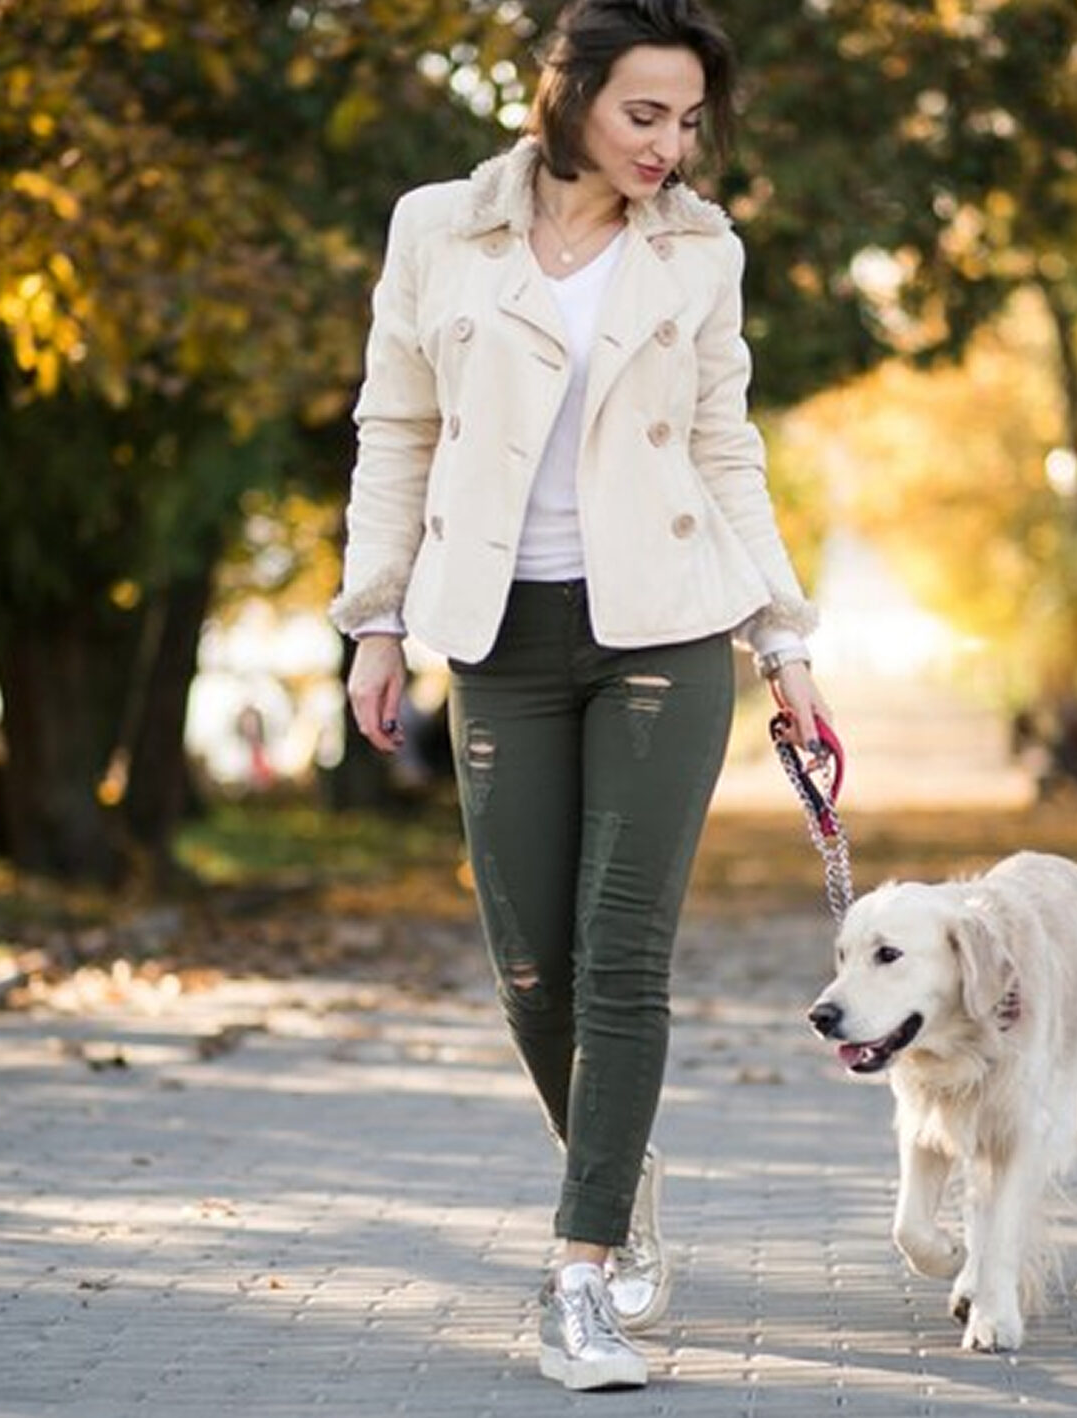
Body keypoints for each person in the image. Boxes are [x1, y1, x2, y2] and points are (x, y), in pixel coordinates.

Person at [328, 0, 834, 1392]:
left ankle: (580, 1277)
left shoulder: (700, 251)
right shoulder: (439, 227)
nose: (671, 146)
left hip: (665, 633)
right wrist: (374, 621)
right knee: (530, 969)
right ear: (567, 99)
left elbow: (728, 446)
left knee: (620, 951)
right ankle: (620, 1170)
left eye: (688, 120)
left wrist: (784, 647)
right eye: (642, 115)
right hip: (499, 638)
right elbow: (397, 426)